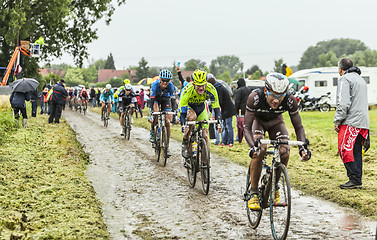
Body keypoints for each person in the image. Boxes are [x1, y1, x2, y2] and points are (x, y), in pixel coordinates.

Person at [244, 73, 311, 210]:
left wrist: (302, 148)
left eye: (280, 96)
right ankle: (254, 192)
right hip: (258, 122)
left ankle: (274, 186)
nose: (276, 100)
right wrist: (252, 147)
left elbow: (298, 127)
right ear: (265, 91)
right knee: (260, 149)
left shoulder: (290, 100)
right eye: (273, 95)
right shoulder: (255, 98)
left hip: (276, 123)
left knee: (285, 152)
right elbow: (246, 127)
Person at [334, 58, 369, 189]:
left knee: (345, 149)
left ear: (340, 69)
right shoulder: (361, 80)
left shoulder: (345, 79)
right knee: (356, 151)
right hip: (363, 122)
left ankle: (353, 179)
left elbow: (343, 103)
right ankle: (357, 179)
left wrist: (338, 120)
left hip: (350, 121)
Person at [180, 69, 222, 160]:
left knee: (205, 135)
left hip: (202, 108)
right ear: (194, 84)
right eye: (198, 86)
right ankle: (186, 139)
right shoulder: (187, 90)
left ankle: (204, 163)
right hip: (190, 107)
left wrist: (219, 122)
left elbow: (216, 108)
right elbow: (182, 111)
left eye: (203, 85)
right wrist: (184, 125)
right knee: (192, 118)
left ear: (206, 83)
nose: (201, 88)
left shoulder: (211, 89)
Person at [149, 69, 175, 157]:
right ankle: (153, 130)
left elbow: (173, 100)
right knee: (156, 114)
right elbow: (151, 101)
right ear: (160, 79)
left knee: (167, 121)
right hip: (156, 99)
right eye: (163, 80)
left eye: (167, 81)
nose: (165, 83)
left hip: (165, 99)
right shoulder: (154, 85)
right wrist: (151, 114)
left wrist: (174, 112)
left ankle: (167, 146)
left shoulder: (171, 86)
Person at [207, 74, 236, 147]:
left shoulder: (218, 88)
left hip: (228, 109)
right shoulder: (218, 87)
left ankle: (230, 142)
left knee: (229, 127)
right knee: (225, 127)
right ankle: (224, 142)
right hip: (224, 109)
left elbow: (218, 101)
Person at [235, 78, 252, 144]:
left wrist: (236, 111)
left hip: (241, 110)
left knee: (240, 125)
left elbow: (237, 101)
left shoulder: (239, 90)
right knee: (247, 124)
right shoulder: (248, 89)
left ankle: (238, 138)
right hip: (248, 109)